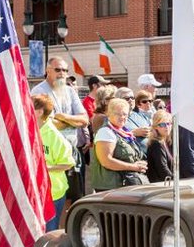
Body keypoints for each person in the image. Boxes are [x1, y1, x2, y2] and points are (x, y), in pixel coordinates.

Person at [31, 57, 89, 203]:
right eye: (58, 70)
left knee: (75, 198)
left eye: (65, 70)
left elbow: (85, 120)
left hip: (73, 151)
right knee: (56, 198)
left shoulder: (70, 91)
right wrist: (73, 121)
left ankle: (67, 227)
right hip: (52, 154)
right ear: (47, 71)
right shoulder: (39, 91)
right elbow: (46, 123)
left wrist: (62, 116)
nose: (62, 73)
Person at [32, 94, 76, 231]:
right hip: (34, 191)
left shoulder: (54, 136)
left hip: (52, 193)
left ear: (39, 112)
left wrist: (45, 168)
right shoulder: (29, 130)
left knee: (49, 232)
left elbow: (68, 163)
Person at [89, 98, 148, 192]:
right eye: (118, 114)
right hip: (110, 187)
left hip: (125, 184)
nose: (122, 117)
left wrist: (140, 164)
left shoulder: (124, 132)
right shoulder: (105, 132)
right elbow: (106, 161)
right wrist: (133, 167)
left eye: (125, 114)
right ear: (109, 114)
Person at [146, 110, 174, 182]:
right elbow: (162, 169)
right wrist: (176, 181)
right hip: (159, 186)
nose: (167, 127)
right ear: (155, 127)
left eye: (169, 123)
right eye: (162, 125)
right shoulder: (156, 144)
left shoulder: (167, 142)